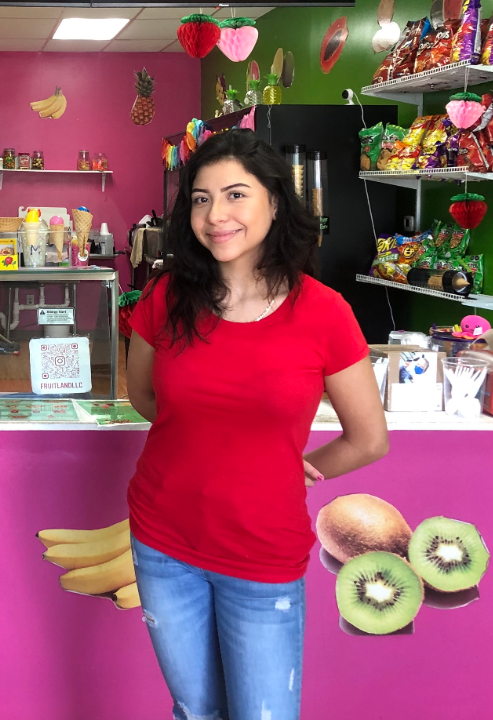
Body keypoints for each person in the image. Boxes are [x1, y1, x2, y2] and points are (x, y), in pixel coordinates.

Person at [125, 129, 389, 720]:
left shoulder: (324, 312)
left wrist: (289, 464)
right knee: (195, 710)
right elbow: (142, 395)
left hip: (262, 554)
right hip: (163, 540)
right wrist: (217, 437)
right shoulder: (167, 296)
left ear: (275, 201)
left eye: (235, 195)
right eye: (200, 198)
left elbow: (369, 439)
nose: (215, 214)